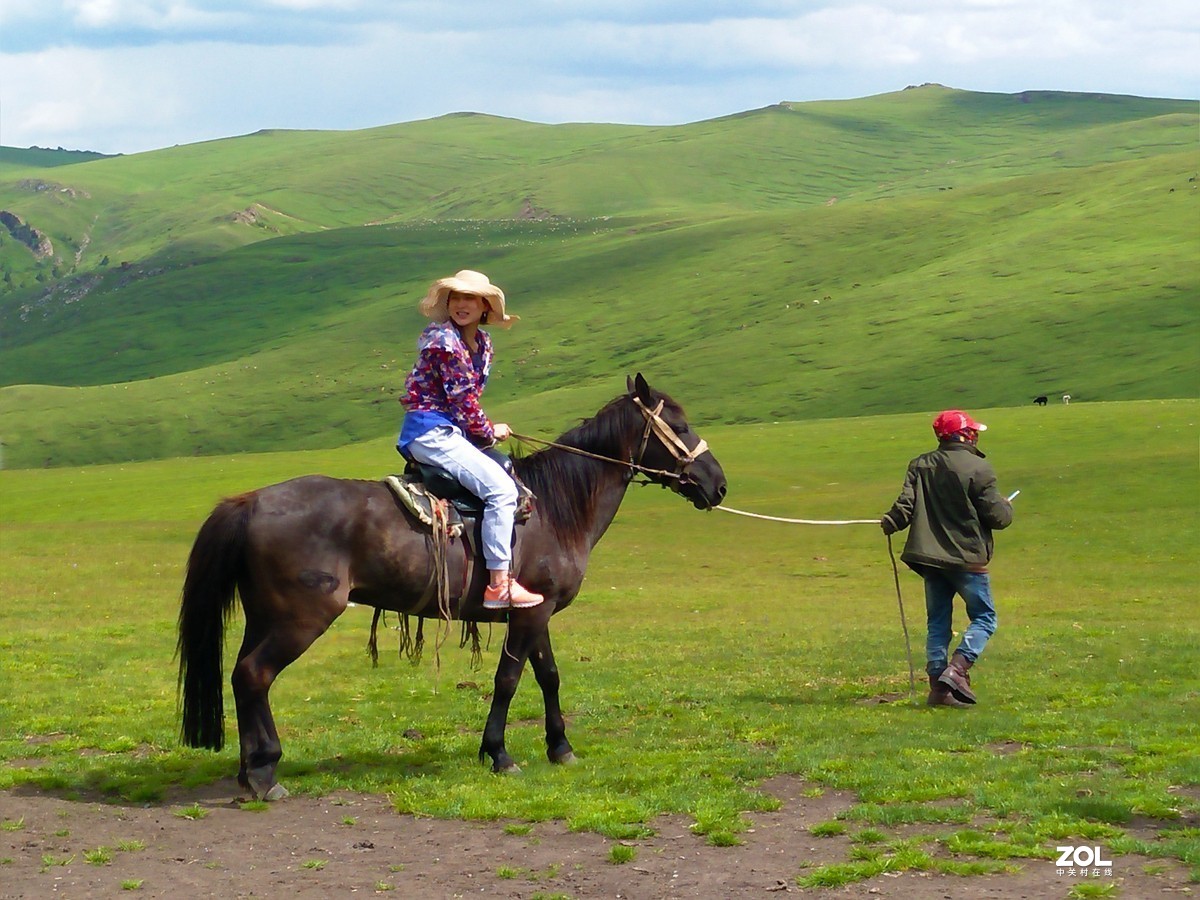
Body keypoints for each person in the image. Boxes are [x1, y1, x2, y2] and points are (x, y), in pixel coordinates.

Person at [397, 269, 543, 610]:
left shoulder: (482, 344)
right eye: (456, 298)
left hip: (450, 430)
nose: (462, 305)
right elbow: (462, 400)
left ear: (484, 307)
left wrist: (484, 429)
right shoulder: (444, 343)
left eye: (470, 299)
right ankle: (498, 584)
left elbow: (466, 404)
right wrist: (489, 430)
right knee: (502, 491)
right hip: (430, 430)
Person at [880, 410, 1013, 707]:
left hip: (929, 560)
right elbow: (998, 518)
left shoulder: (920, 464)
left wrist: (891, 521)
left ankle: (938, 689)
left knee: (937, 622)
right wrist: (1006, 507)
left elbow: (904, 507)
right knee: (985, 618)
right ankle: (957, 669)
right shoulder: (980, 468)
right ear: (964, 435)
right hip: (967, 559)